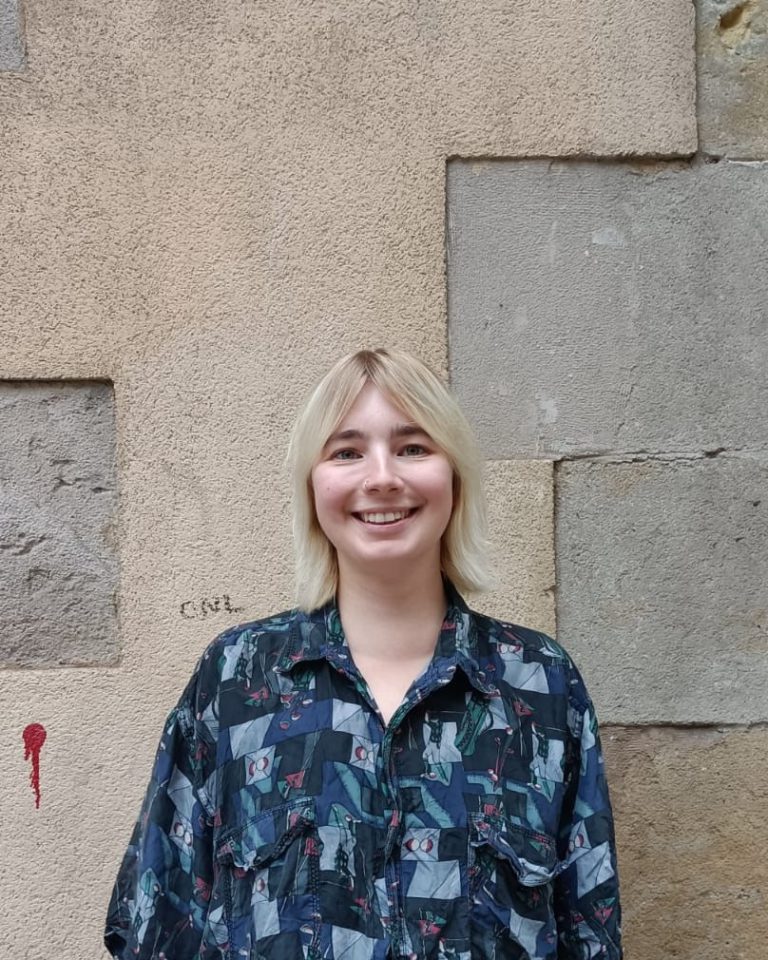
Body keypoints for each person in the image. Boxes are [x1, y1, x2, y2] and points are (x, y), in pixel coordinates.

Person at [105, 347, 622, 960]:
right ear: (313, 485)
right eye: (347, 452)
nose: (382, 477)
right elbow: (157, 929)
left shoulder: (540, 683)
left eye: (413, 447)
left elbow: (592, 935)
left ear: (454, 476)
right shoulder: (237, 677)